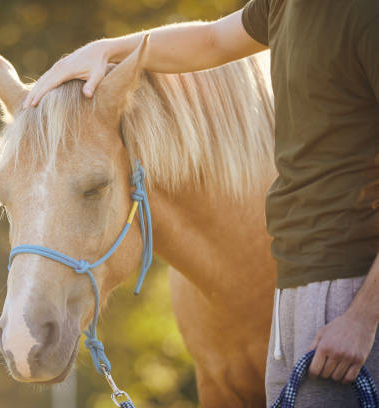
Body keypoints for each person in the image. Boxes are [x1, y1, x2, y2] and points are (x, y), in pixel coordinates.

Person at [23, 1, 379, 406]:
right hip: (294, 280)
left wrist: (363, 318)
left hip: (349, 276)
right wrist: (104, 50)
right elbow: (211, 39)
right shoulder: (282, 5)